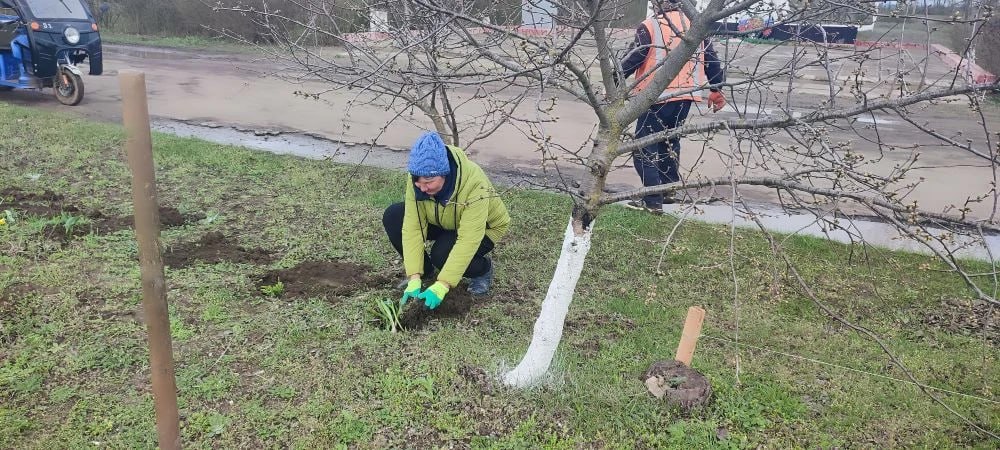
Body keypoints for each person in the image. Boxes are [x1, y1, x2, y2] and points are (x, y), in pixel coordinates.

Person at [382, 131, 510, 309]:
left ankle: (483, 270)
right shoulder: (418, 179)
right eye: (418, 181)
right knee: (394, 216)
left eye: (429, 181)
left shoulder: (473, 182)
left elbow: (468, 239)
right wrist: (414, 276)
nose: (423, 187)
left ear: (445, 173)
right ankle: (425, 274)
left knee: (441, 255)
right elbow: (413, 227)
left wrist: (443, 284)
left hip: (484, 227)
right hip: (445, 219)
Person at [619, 0, 726, 213]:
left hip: (655, 97)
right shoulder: (696, 24)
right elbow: (711, 60)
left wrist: (614, 79)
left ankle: (652, 200)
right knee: (669, 142)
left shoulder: (651, 25)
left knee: (644, 147)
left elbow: (635, 57)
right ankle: (668, 189)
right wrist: (716, 89)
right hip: (685, 97)